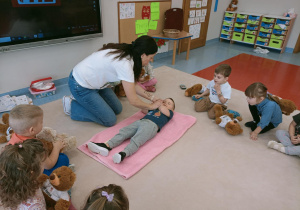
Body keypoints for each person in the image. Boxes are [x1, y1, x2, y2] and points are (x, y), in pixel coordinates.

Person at [63, 35, 162, 127]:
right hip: (80, 85)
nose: (151, 60)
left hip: (99, 84)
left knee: (117, 109)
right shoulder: (125, 64)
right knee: (109, 120)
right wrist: (151, 107)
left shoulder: (131, 54)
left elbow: (133, 85)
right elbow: (133, 100)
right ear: (143, 55)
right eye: (151, 57)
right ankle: (71, 105)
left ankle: (88, 100)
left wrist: (152, 98)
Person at [87, 98, 175, 163]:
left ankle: (123, 154)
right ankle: (107, 145)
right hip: (140, 122)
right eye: (164, 101)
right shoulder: (156, 108)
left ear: (172, 109)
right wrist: (151, 105)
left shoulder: (169, 113)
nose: (165, 103)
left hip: (152, 126)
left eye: (168, 103)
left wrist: (160, 105)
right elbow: (143, 110)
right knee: (124, 132)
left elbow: (164, 110)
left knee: (137, 139)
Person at [8, 104, 69, 176]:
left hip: (12, 172)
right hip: (27, 176)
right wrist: (57, 147)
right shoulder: (36, 146)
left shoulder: (14, 136)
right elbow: (49, 165)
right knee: (63, 158)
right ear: (32, 130)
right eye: (41, 122)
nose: (42, 123)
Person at [0, 139, 47, 209]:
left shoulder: (7, 180)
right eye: (42, 162)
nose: (45, 164)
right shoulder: (36, 205)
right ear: (32, 173)